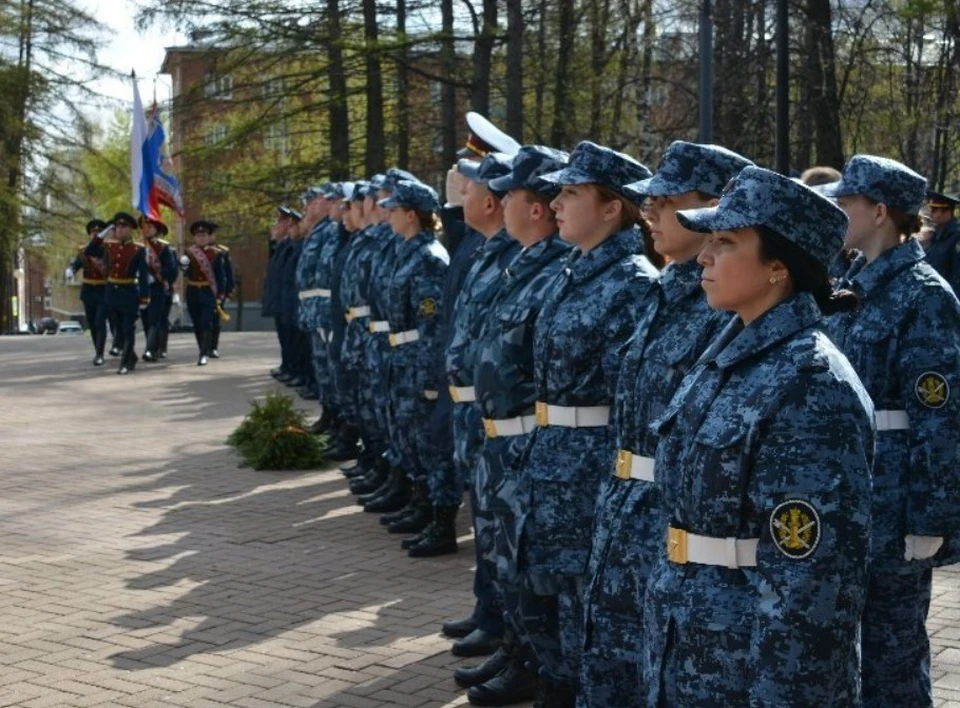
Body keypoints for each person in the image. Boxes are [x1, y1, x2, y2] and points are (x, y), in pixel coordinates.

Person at [641, 166, 875, 706]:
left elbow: (812, 585)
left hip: (746, 665)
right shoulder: (729, 352)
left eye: (725, 242)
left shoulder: (811, 382)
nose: (704, 256)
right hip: (689, 640)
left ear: (778, 266)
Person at [578, 142, 753, 707]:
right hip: (628, 506)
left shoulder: (724, 307)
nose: (649, 210)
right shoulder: (665, 289)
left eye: (666, 199)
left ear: (716, 206)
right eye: (647, 198)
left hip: (670, 520)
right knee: (610, 655)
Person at [513, 142, 659, 705]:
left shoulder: (633, 283)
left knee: (588, 615)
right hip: (555, 459)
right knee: (551, 600)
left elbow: (630, 402)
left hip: (591, 470)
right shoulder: (573, 271)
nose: (555, 202)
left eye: (571, 192)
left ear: (612, 207)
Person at [824, 156, 960, 708]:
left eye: (846, 203)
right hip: (845, 493)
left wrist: (932, 520)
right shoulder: (848, 283)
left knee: (893, 655)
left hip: (894, 501)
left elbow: (942, 417)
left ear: (879, 212)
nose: (837, 212)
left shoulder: (924, 295)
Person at [459, 144, 572, 707]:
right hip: (503, 436)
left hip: (531, 439)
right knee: (505, 557)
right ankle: (517, 645)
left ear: (537, 208)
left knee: (529, 565)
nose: (498, 204)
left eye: (510, 195)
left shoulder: (555, 268)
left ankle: (534, 659)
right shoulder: (522, 261)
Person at [378, 179, 449, 557]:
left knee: (428, 441)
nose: (387, 214)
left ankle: (438, 519)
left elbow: (432, 328)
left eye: (394, 209)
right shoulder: (408, 253)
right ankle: (419, 503)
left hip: (416, 363)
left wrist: (428, 378)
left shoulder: (430, 258)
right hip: (401, 361)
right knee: (408, 435)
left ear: (411, 215)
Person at [103, 212, 150, 375]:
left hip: (129, 292)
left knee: (127, 328)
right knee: (118, 329)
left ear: (130, 230)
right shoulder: (108, 245)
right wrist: (101, 235)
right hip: (111, 292)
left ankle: (124, 363)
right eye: (117, 227)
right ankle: (131, 356)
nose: (120, 230)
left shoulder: (138, 249)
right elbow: (91, 251)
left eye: (124, 227)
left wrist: (145, 296)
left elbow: (143, 274)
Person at [181, 220, 226, 366]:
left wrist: (220, 295)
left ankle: (204, 353)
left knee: (207, 321)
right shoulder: (189, 252)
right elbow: (185, 273)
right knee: (197, 323)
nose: (201, 238)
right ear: (194, 237)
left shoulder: (216, 254)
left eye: (204, 235)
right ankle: (202, 348)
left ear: (209, 237)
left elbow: (221, 276)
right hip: (193, 290)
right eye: (198, 235)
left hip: (208, 291)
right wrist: (183, 266)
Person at [66, 218, 110, 365]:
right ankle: (97, 350)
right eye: (93, 232)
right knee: (92, 323)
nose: (95, 234)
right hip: (89, 290)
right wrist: (71, 270)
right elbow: (76, 264)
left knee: (100, 321)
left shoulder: (109, 250)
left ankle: (100, 353)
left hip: (104, 290)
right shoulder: (84, 251)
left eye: (98, 232)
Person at [140, 217, 178, 362]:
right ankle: (154, 348)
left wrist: (159, 276)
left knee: (155, 319)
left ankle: (150, 350)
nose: (147, 229)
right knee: (145, 320)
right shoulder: (138, 246)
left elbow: (172, 270)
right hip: (141, 289)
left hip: (157, 288)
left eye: (150, 226)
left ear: (156, 230)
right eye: (145, 226)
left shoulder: (164, 248)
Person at [922, 190, 960, 294]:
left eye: (934, 210)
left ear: (947, 212)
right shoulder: (935, 235)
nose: (930, 213)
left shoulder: (956, 237)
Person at [209, 223, 235, 359]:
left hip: (218, 290)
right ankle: (204, 345)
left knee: (215, 320)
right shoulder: (197, 252)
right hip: (202, 289)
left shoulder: (222, 252)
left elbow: (228, 272)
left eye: (211, 234)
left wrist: (229, 290)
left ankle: (213, 347)